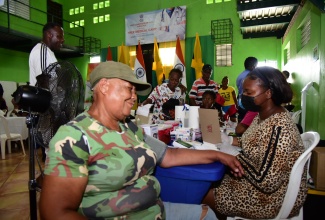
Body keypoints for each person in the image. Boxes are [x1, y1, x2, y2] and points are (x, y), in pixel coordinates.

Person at [39, 61, 244, 220]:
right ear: (104, 87)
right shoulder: (74, 136)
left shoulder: (129, 128)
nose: (134, 97)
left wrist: (218, 155)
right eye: (129, 89)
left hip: (156, 209)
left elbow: (169, 155)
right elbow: (56, 213)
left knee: (208, 215)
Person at [203, 66, 307, 219]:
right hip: (254, 183)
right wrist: (229, 140)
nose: (243, 96)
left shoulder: (279, 127)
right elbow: (248, 141)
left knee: (202, 192)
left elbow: (267, 180)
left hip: (270, 198)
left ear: (268, 93)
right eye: (243, 91)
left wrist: (232, 157)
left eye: (249, 92)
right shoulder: (262, 115)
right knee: (207, 182)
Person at [29, 22, 64, 86]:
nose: (62, 40)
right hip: (41, 96)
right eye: (59, 36)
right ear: (49, 35)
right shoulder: (41, 51)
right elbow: (43, 84)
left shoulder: (49, 52)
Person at [236, 57, 258, 122]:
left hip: (241, 102)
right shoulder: (251, 76)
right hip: (249, 103)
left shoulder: (240, 76)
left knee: (242, 121)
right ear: (253, 66)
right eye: (256, 65)